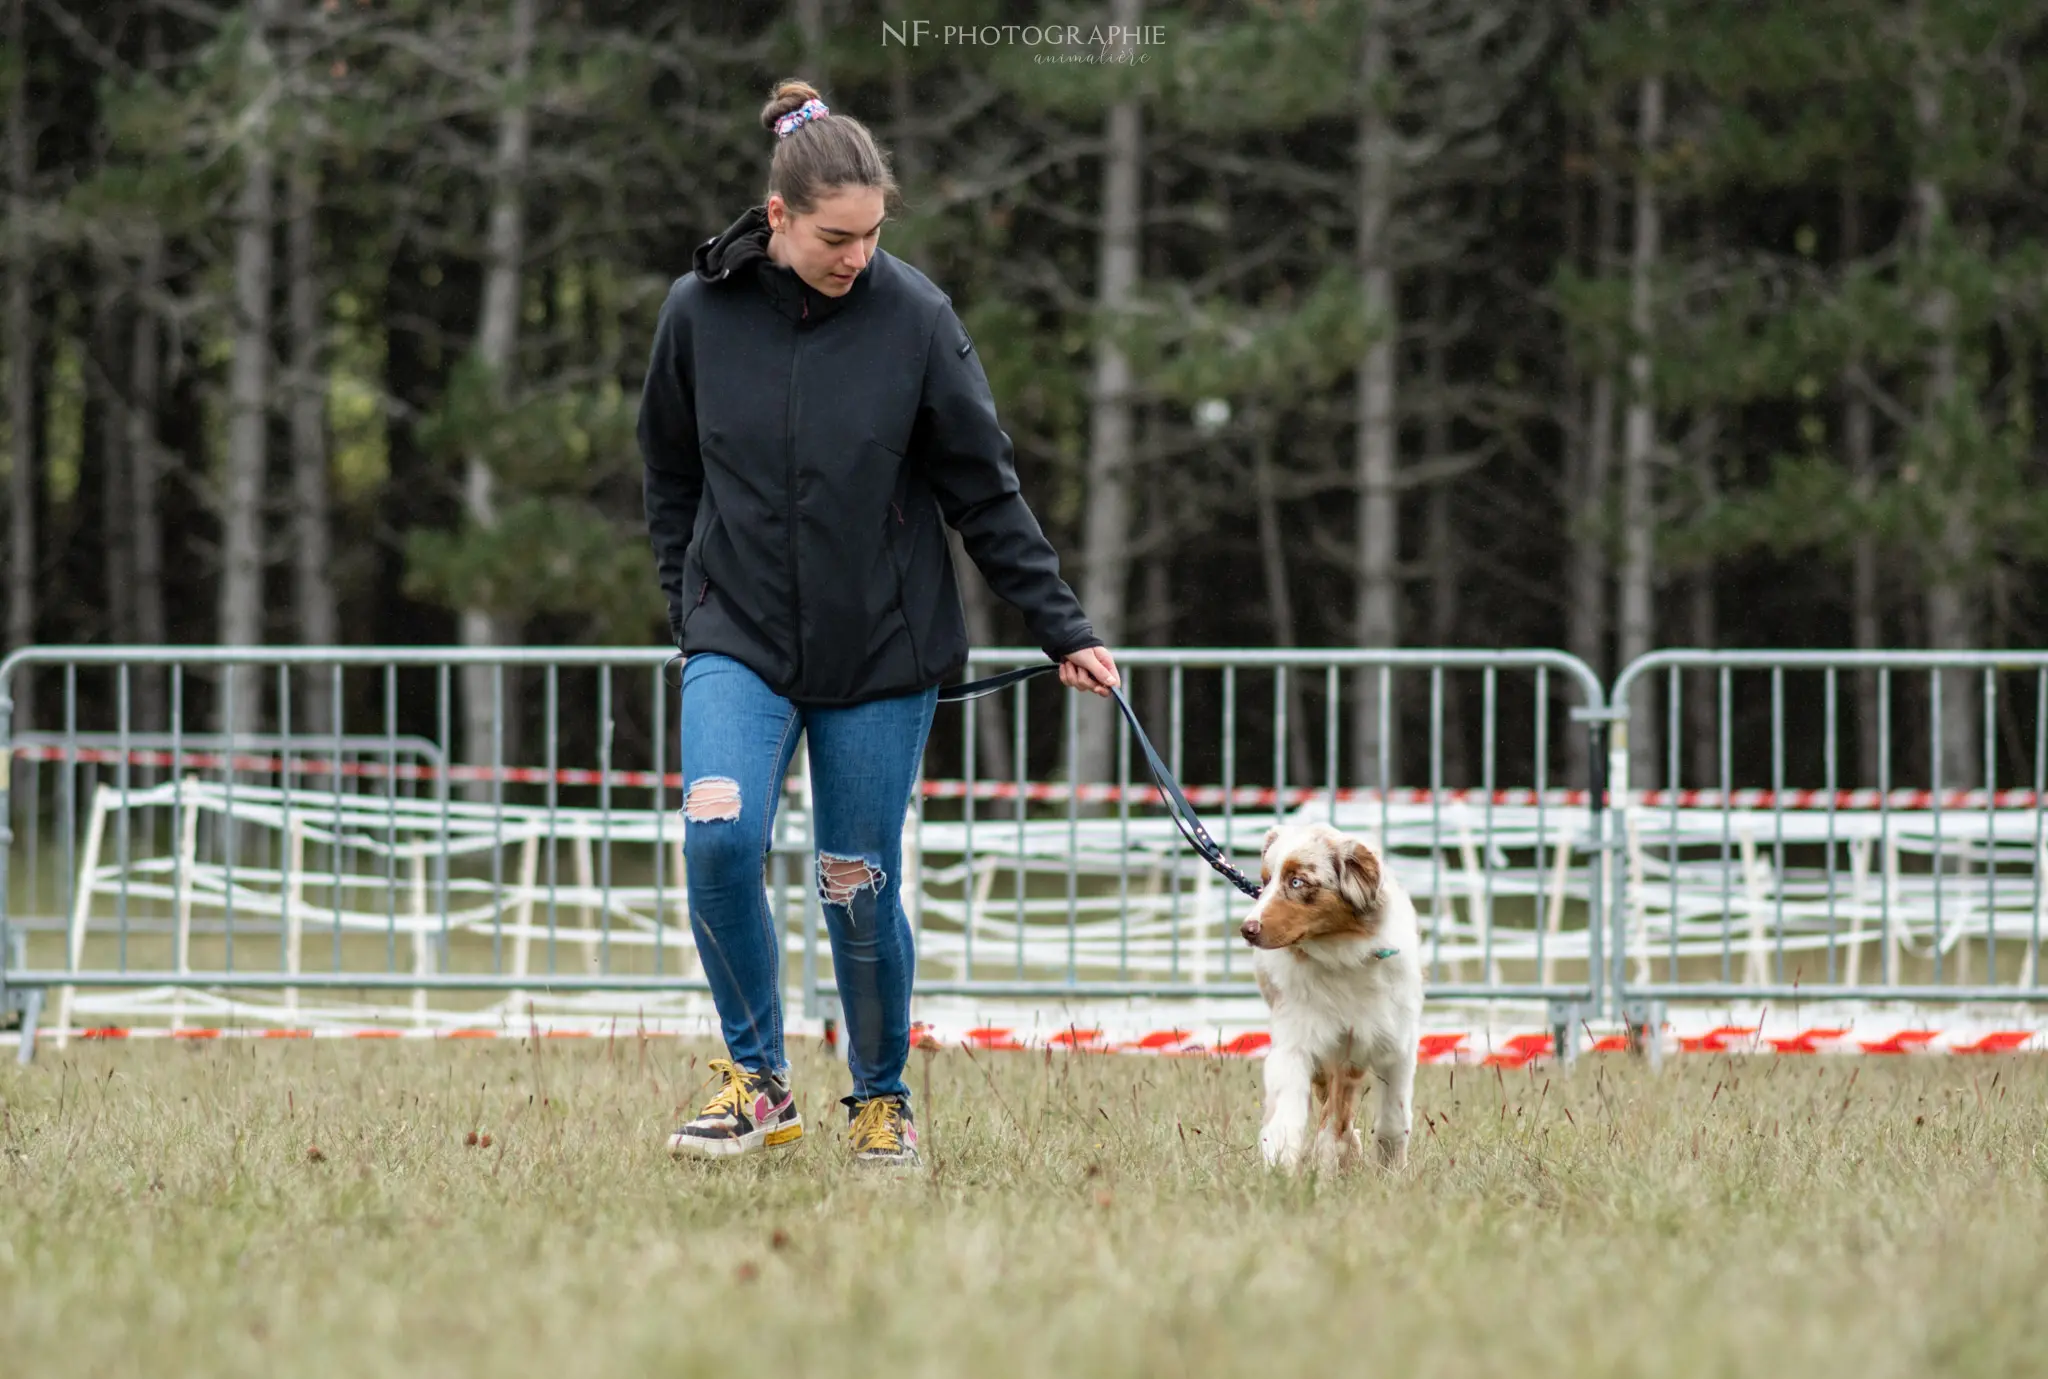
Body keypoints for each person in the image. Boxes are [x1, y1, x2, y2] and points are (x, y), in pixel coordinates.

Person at [637, 79, 1121, 1168]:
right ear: (777, 218)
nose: (855, 257)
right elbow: (668, 472)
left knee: (855, 880)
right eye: (832, 237)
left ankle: (879, 1094)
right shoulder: (695, 315)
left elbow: (983, 491)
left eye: (869, 236)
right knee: (717, 838)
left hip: (881, 653)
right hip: (736, 638)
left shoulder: (916, 319)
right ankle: (757, 1080)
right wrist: (689, 602)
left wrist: (1061, 627)